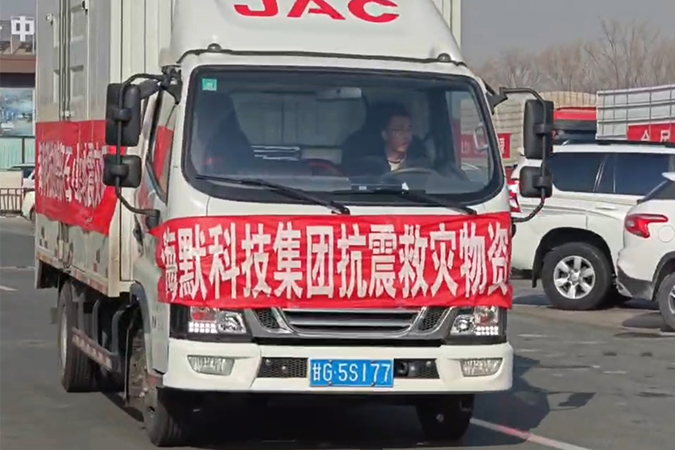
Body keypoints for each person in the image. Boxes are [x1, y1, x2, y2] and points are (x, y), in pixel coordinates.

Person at [342, 102, 432, 176]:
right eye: (399, 130)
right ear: (385, 134)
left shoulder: (420, 164)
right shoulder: (367, 165)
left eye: (409, 129)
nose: (406, 135)